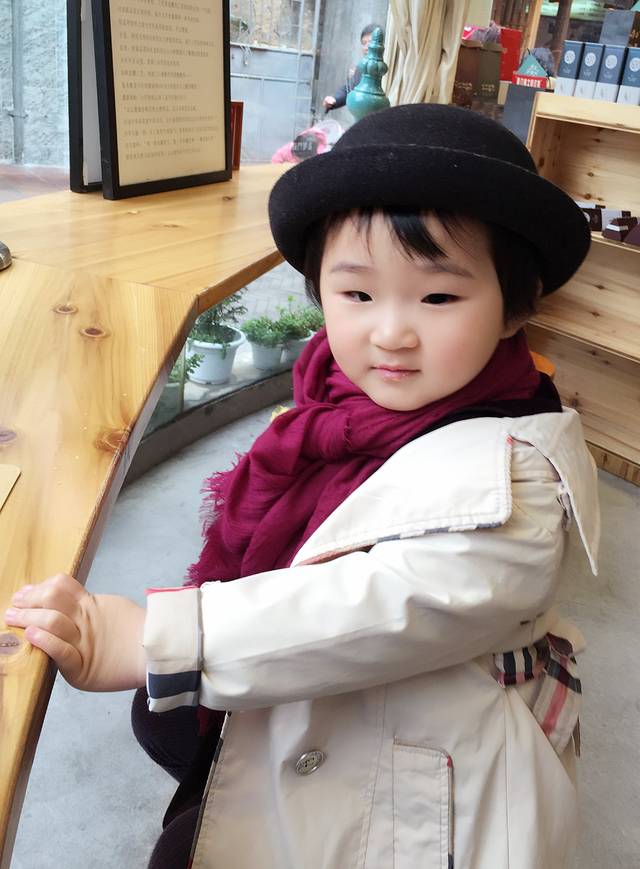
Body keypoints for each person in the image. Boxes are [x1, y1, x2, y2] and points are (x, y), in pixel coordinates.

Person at [6, 103, 599, 869]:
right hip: (329, 706)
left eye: (438, 298)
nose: (391, 332)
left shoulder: (517, 481)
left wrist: (161, 637)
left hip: (426, 783)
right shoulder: (332, 402)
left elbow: (376, 607)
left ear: (515, 307)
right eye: (357, 294)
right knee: (188, 770)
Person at [322, 23, 382, 112]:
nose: (366, 47)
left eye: (370, 42)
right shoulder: (361, 68)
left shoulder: (385, 69)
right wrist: (334, 99)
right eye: (364, 43)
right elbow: (348, 90)